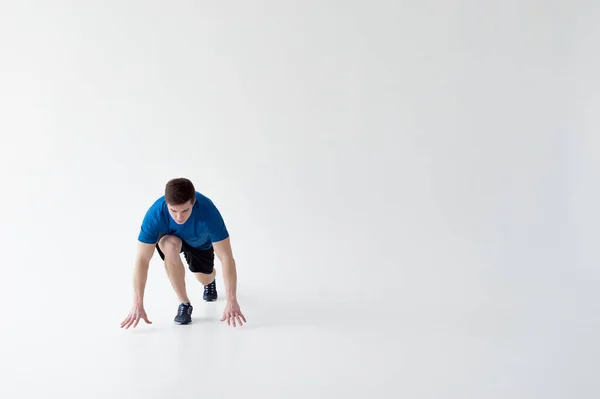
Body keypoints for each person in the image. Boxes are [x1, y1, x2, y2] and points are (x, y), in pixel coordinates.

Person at [120, 177, 246, 328]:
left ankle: (210, 280)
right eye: (173, 211)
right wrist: (137, 303)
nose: (179, 217)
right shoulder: (155, 214)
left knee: (204, 278)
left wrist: (231, 300)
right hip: (171, 239)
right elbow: (142, 259)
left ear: (193, 202)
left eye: (185, 210)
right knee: (169, 246)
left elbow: (226, 257)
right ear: (166, 204)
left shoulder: (208, 212)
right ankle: (184, 303)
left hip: (198, 243)